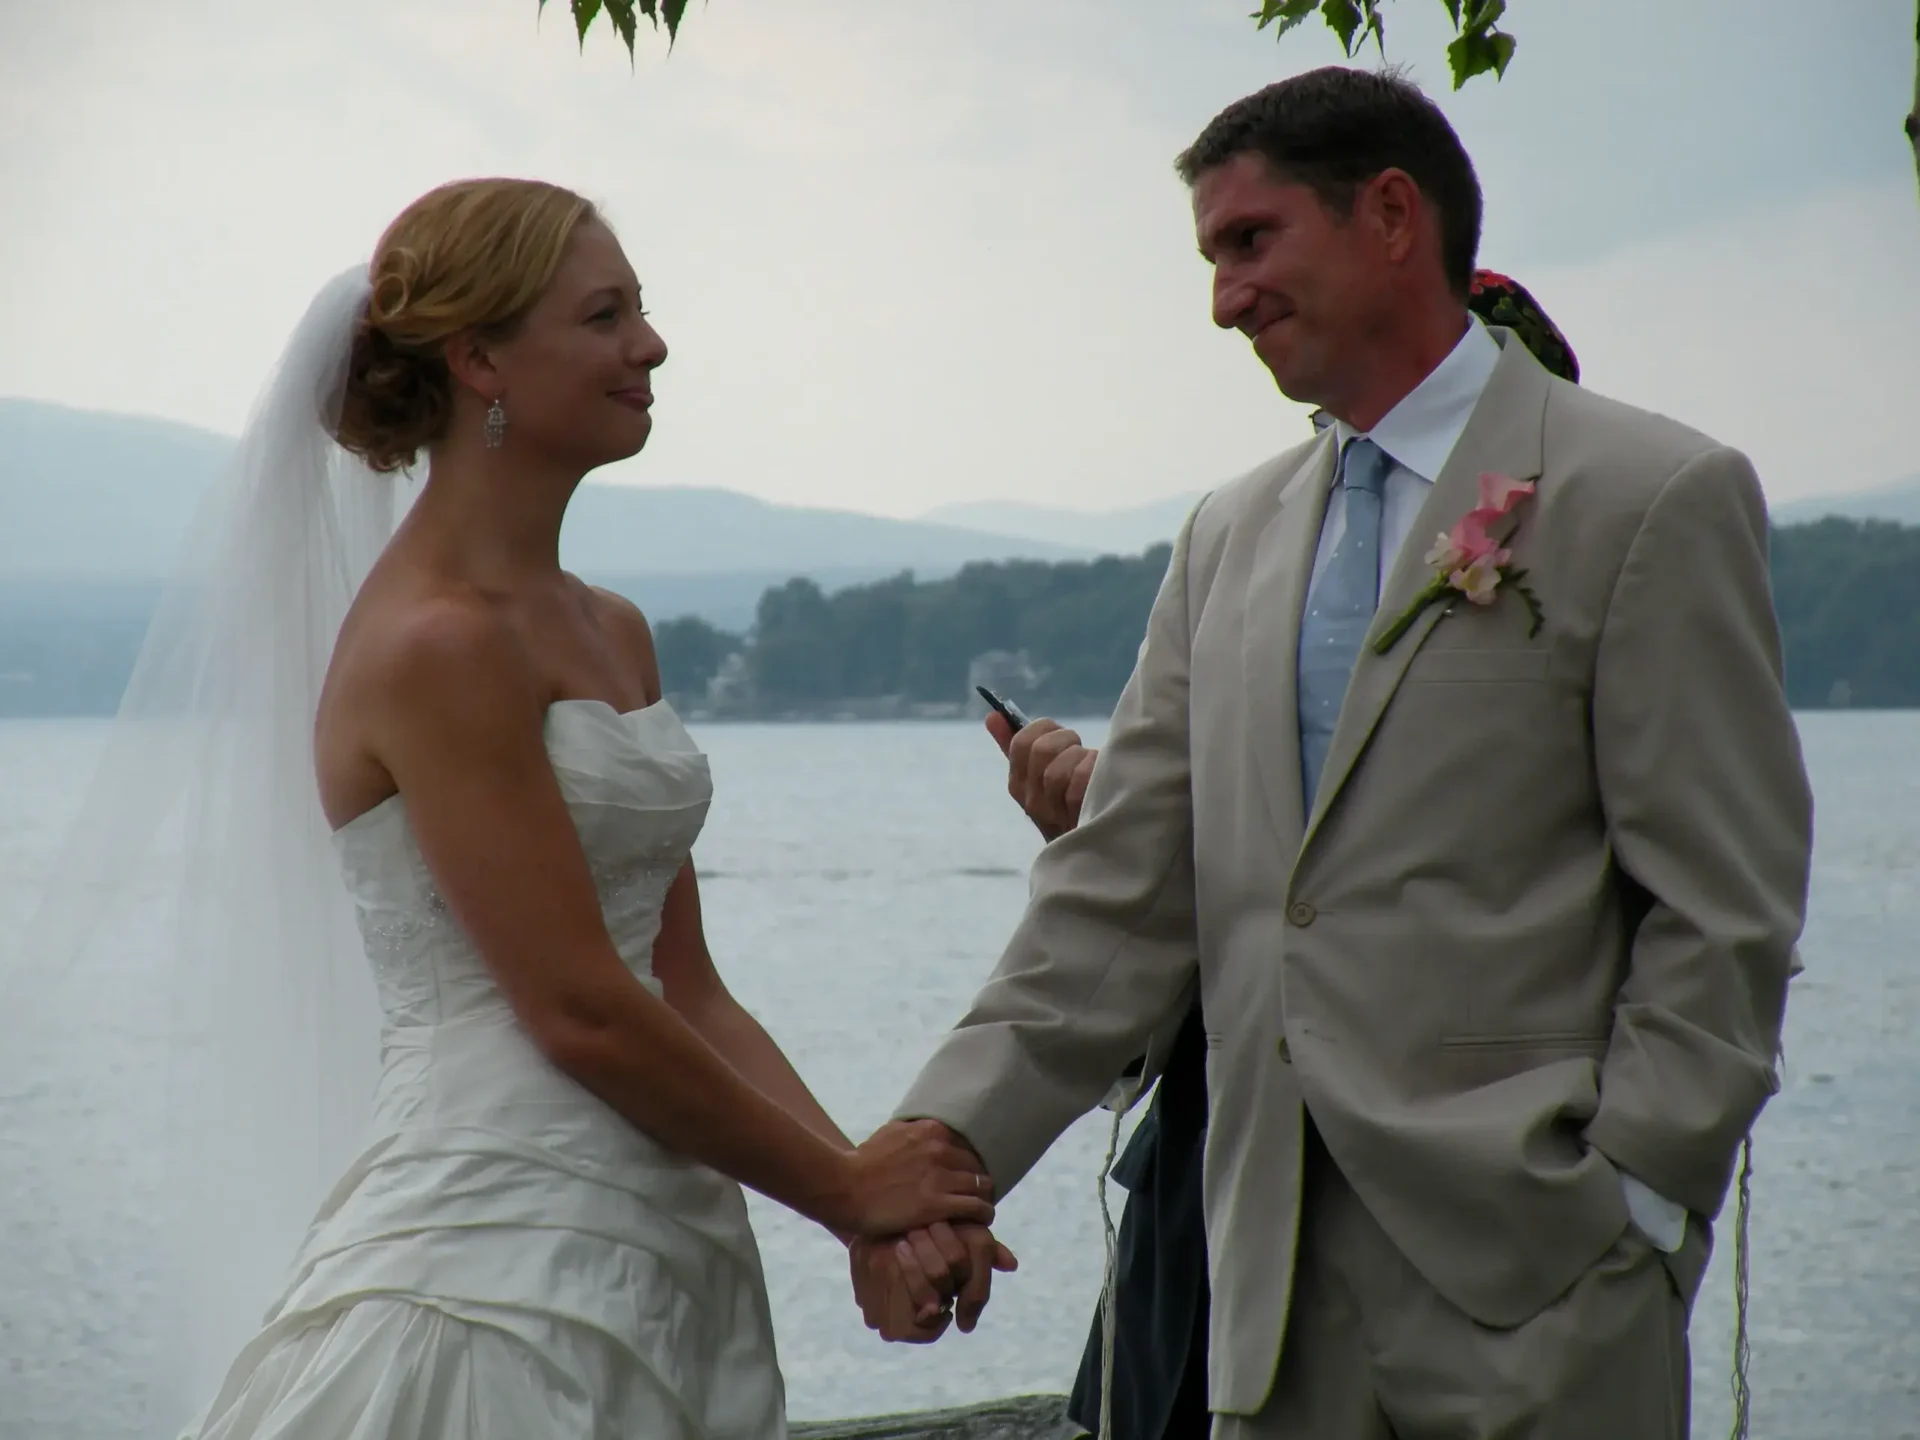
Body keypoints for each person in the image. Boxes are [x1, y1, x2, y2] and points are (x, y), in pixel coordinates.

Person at [858, 67, 1812, 1439]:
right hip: (1262, 1311)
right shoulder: (1227, 538)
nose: (1223, 299)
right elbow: (1119, 897)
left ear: (1388, 215)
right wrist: (940, 1152)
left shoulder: (1650, 495)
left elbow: (1725, 903)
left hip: (1545, 1293)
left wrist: (1634, 1201)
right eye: (1211, 258)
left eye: (1251, 243)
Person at [8, 178, 1007, 1439]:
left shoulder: (614, 631)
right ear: (480, 358)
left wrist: (877, 1205)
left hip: (665, 1237)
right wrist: (844, 1191)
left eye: (641, 311)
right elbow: (578, 1009)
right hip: (488, 1266)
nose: (650, 346)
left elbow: (681, 983)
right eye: (604, 316)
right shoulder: (436, 647)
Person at [981, 269, 1587, 1440]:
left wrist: (1647, 1188)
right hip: (1217, 1173)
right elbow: (1214, 893)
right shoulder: (1254, 554)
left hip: (1486, 1213)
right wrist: (1118, 839)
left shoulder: (1592, 569)